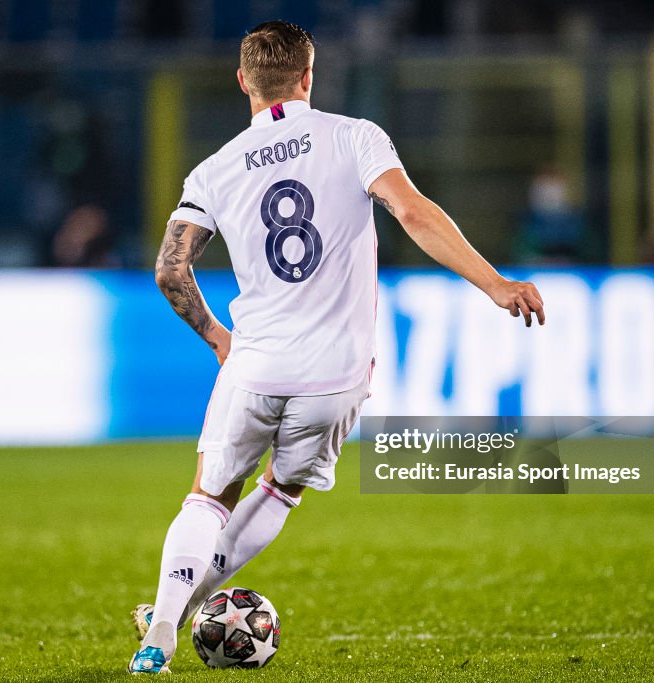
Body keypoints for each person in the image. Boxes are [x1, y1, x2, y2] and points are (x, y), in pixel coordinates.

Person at [128, 20, 545, 674]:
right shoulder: (354, 137)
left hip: (255, 364)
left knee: (210, 496)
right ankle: (181, 609)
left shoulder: (213, 170)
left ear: (243, 81)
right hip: (336, 376)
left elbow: (170, 269)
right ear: (309, 76)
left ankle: (161, 626)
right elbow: (412, 213)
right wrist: (493, 283)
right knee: (282, 490)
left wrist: (216, 336)